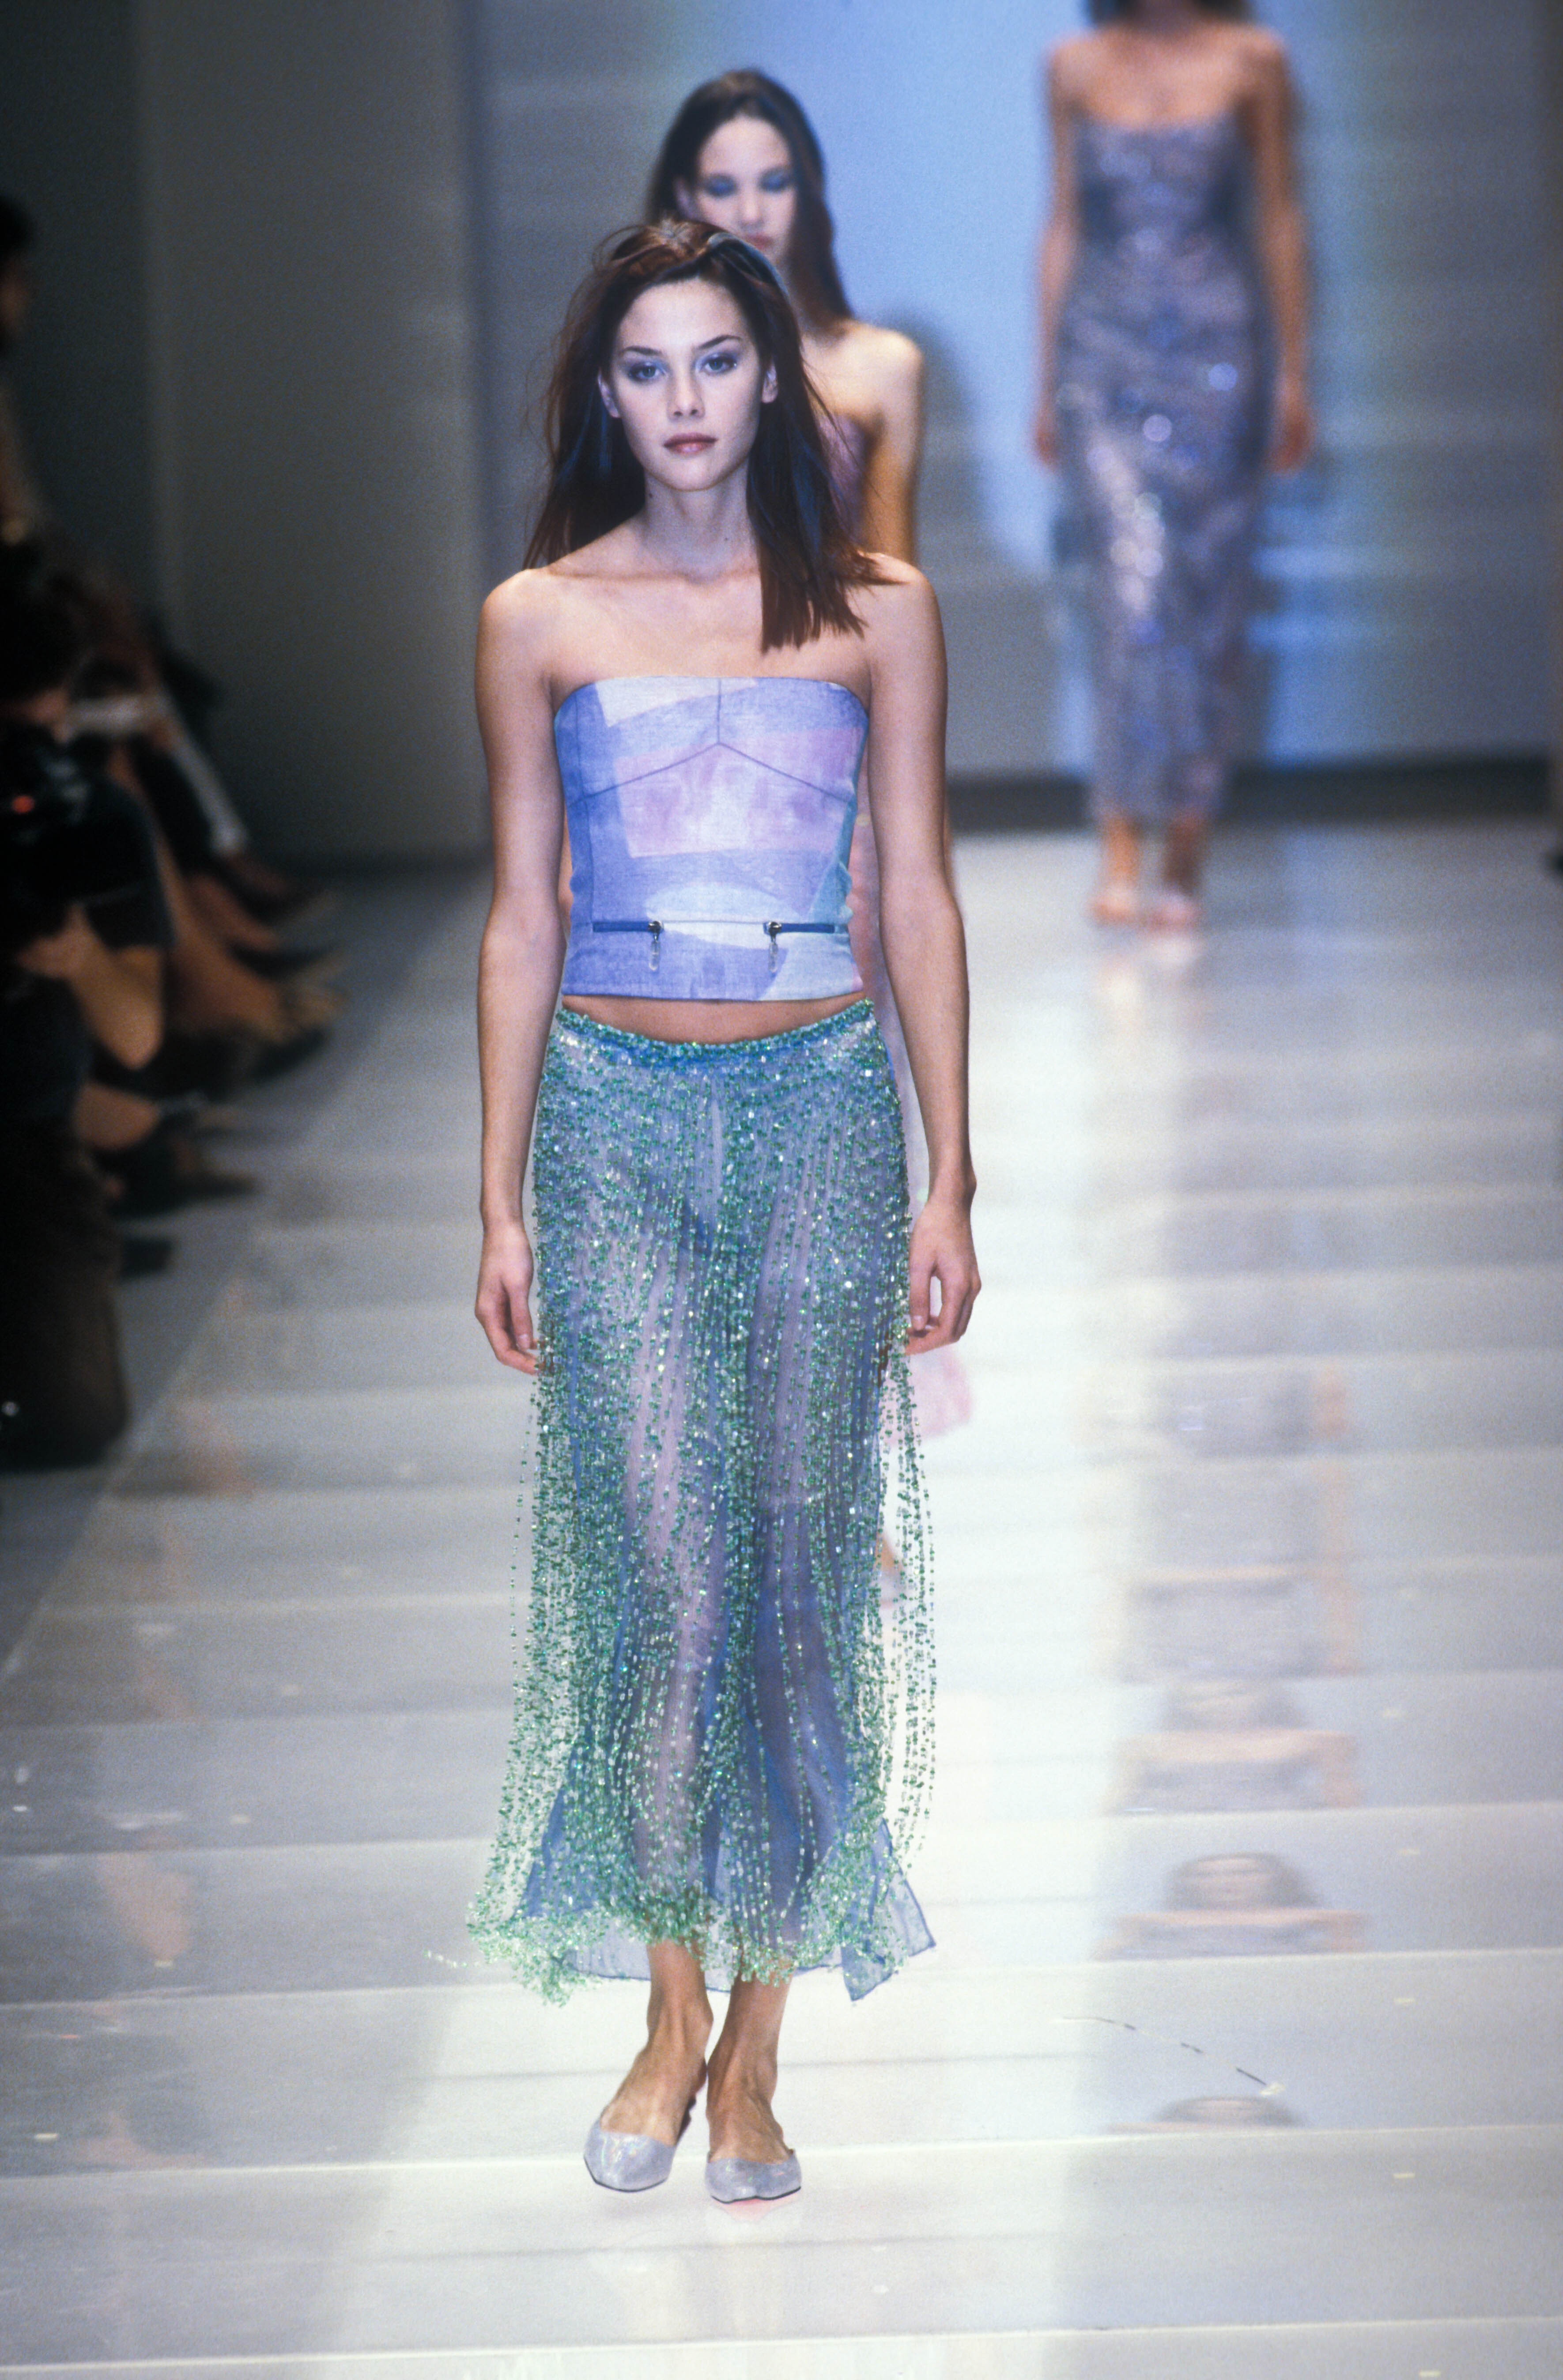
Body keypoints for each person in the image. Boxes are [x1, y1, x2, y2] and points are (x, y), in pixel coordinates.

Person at [467, 220, 978, 2204]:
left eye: (714, 361)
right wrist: (498, 1196)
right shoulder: (538, 617)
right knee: (660, 1581)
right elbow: (523, 913)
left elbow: (914, 889)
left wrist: (951, 1167)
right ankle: (667, 2009)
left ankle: (759, 2046)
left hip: (823, 1110)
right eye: (645, 367)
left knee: (792, 1585)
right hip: (610, 1123)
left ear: (775, 378)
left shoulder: (876, 610)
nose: (683, 401)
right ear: (603, 394)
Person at [649, 71, 971, 1441]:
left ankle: (839, 1443)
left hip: (829, 778)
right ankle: (730, 1427)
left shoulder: (875, 368)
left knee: (839, 1088)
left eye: (771, 180)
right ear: (681, 196)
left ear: (809, 190)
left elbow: (890, 581)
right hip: (679, 773)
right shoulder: (652, 374)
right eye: (722, 185)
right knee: (696, 1099)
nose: (750, 208)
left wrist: (899, 805)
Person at [1034, 0, 1314, 927]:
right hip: (1101, 360)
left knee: (1208, 595)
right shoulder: (1073, 65)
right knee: (1128, 591)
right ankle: (1121, 839)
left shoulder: (1253, 60)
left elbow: (1278, 214)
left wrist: (1293, 375)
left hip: (1218, 355)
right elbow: (1063, 222)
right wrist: (1044, 380)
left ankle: (1186, 843)